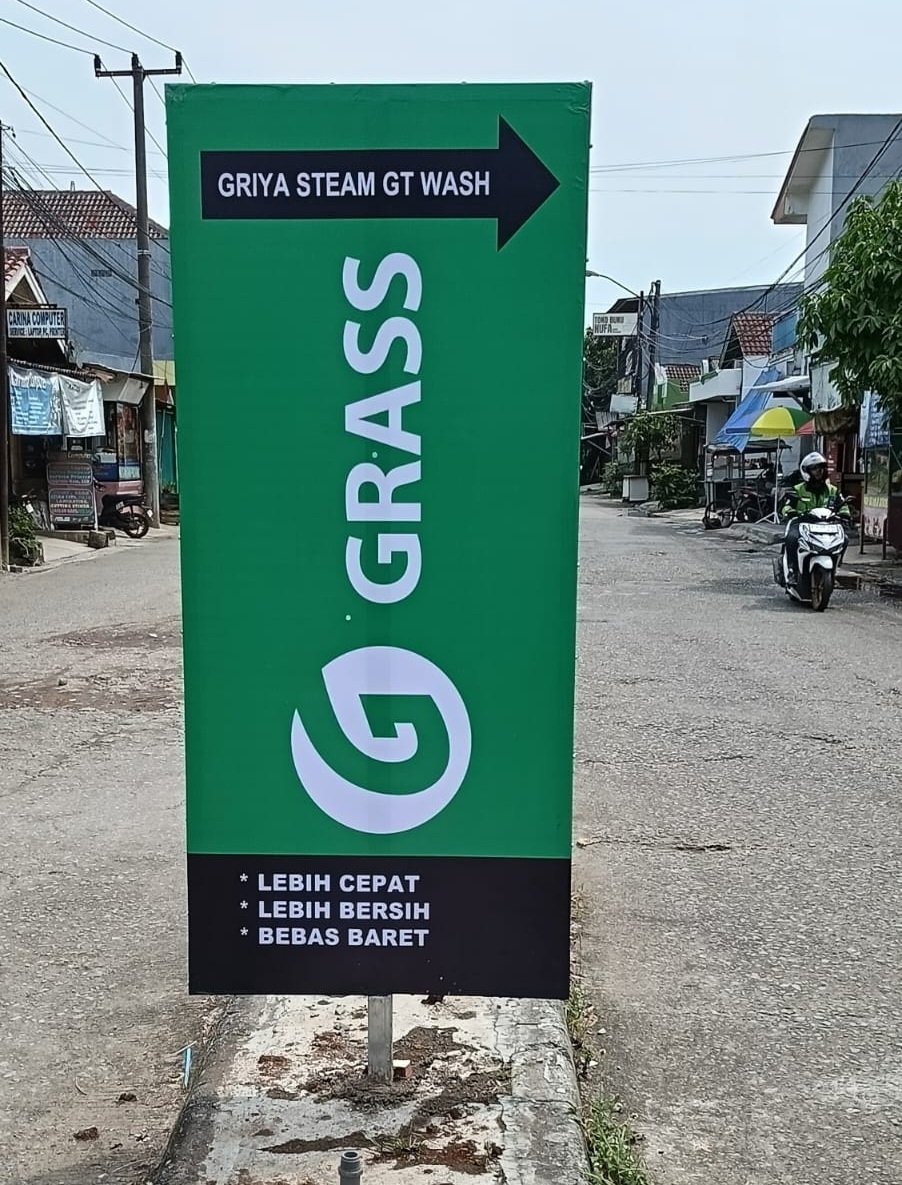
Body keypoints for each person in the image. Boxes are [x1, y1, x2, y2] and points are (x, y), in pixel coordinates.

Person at [780, 451, 850, 581]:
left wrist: (845, 514)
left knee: (844, 539)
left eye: (821, 468)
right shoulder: (797, 489)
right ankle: (792, 570)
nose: (819, 471)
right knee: (791, 538)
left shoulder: (832, 490)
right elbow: (786, 505)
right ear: (806, 471)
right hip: (801, 524)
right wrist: (789, 512)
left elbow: (842, 505)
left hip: (826, 525)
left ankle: (836, 566)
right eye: (814, 468)